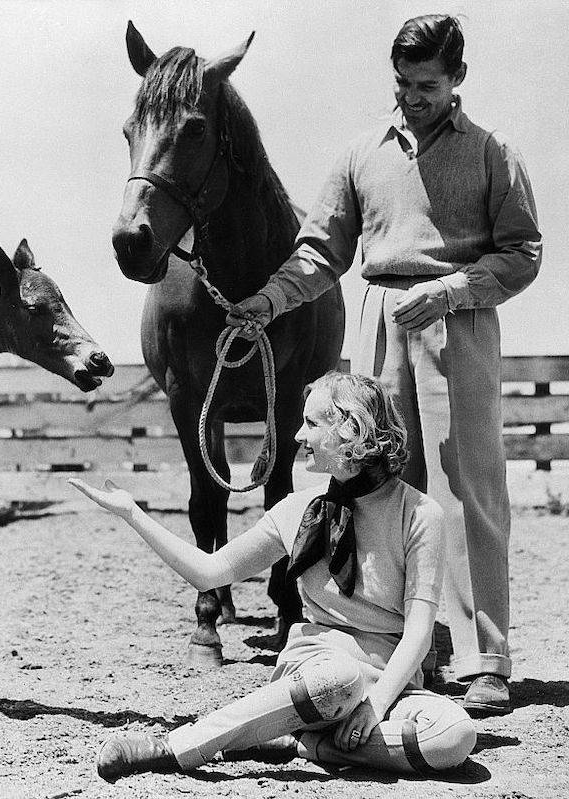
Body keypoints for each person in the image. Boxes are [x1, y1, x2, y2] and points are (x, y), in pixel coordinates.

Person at [227, 14, 541, 716]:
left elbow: (523, 253)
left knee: (468, 487)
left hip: (457, 325)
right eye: (402, 83)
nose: (412, 96)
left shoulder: (494, 153)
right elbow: (319, 251)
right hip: (378, 324)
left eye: (427, 85)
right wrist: (266, 303)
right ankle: (409, 644)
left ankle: (485, 658)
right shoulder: (360, 151)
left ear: (458, 78)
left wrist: (452, 289)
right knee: (376, 487)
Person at [70, 372, 476, 781]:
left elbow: (419, 634)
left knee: (455, 736)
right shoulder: (297, 509)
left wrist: (377, 703)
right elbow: (209, 571)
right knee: (340, 679)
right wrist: (132, 513)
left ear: (352, 430)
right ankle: (176, 746)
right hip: (320, 677)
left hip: (390, 685)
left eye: (313, 424)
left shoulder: (422, 514)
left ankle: (303, 744)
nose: (298, 435)